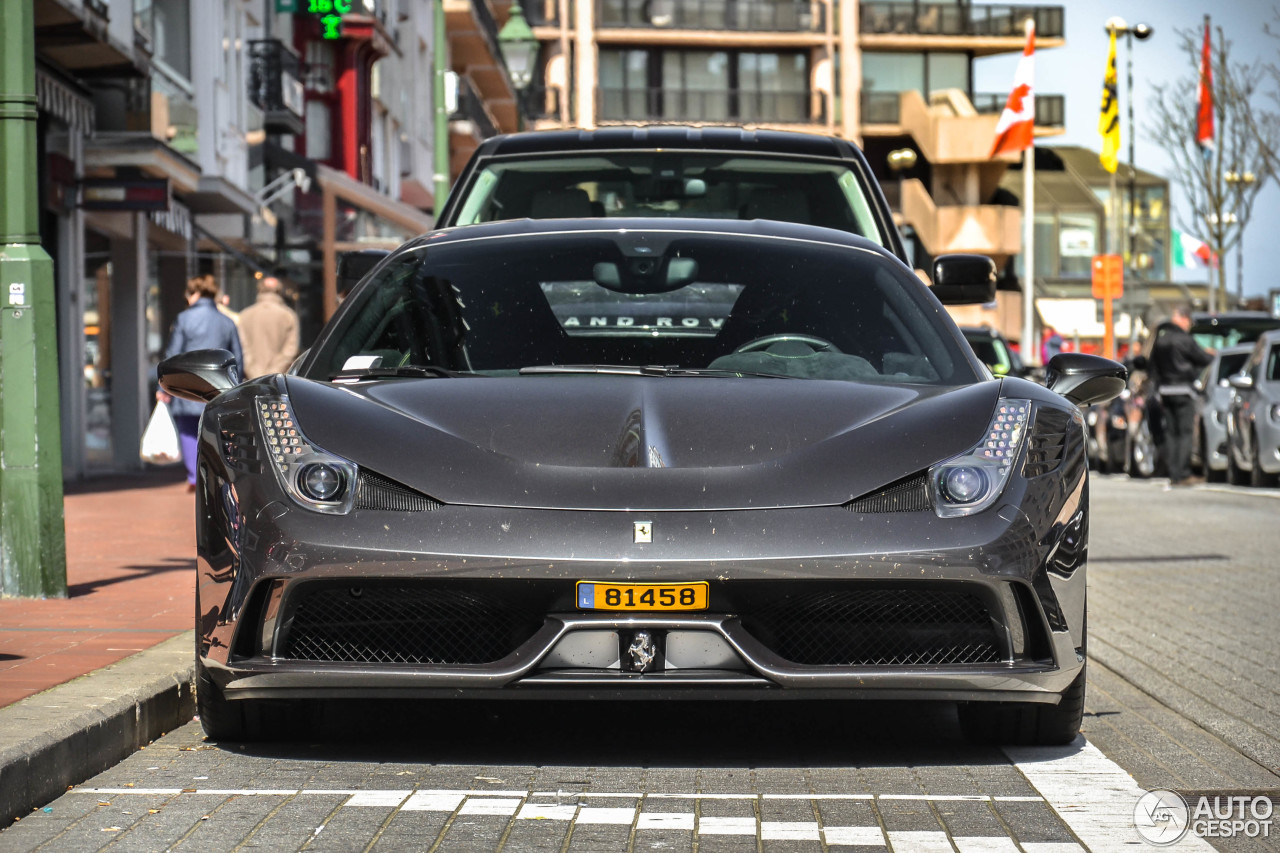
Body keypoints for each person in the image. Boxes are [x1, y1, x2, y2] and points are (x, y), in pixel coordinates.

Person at [158, 275, 244, 491]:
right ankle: (215, 474)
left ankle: (194, 476)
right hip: (218, 386)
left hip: (187, 383)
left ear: (193, 294)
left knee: (188, 430)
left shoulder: (184, 319)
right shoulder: (227, 322)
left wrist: (164, 386)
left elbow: (172, 353)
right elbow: (237, 358)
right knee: (216, 430)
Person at [1148, 305, 1213, 486]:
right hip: (1184, 390)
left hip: (1165, 391)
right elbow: (1204, 359)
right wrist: (1209, 356)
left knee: (1171, 432)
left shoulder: (1160, 340)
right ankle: (1183, 474)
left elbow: (1152, 366)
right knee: (1185, 432)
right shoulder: (1185, 339)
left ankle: (1173, 472)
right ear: (1184, 319)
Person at [238, 275, 300, 379]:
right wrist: (272, 373)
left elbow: (243, 349)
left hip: (250, 379)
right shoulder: (288, 316)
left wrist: (254, 373)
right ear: (279, 290)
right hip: (277, 380)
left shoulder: (244, 315)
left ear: (259, 289)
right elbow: (290, 350)